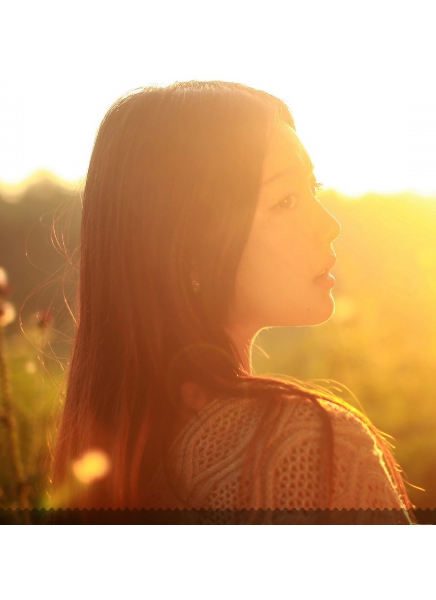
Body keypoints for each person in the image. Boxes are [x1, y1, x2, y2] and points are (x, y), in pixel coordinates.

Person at [51, 81, 413, 523]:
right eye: (286, 200)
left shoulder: (118, 458)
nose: (329, 225)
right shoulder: (301, 447)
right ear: (188, 253)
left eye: (313, 188)